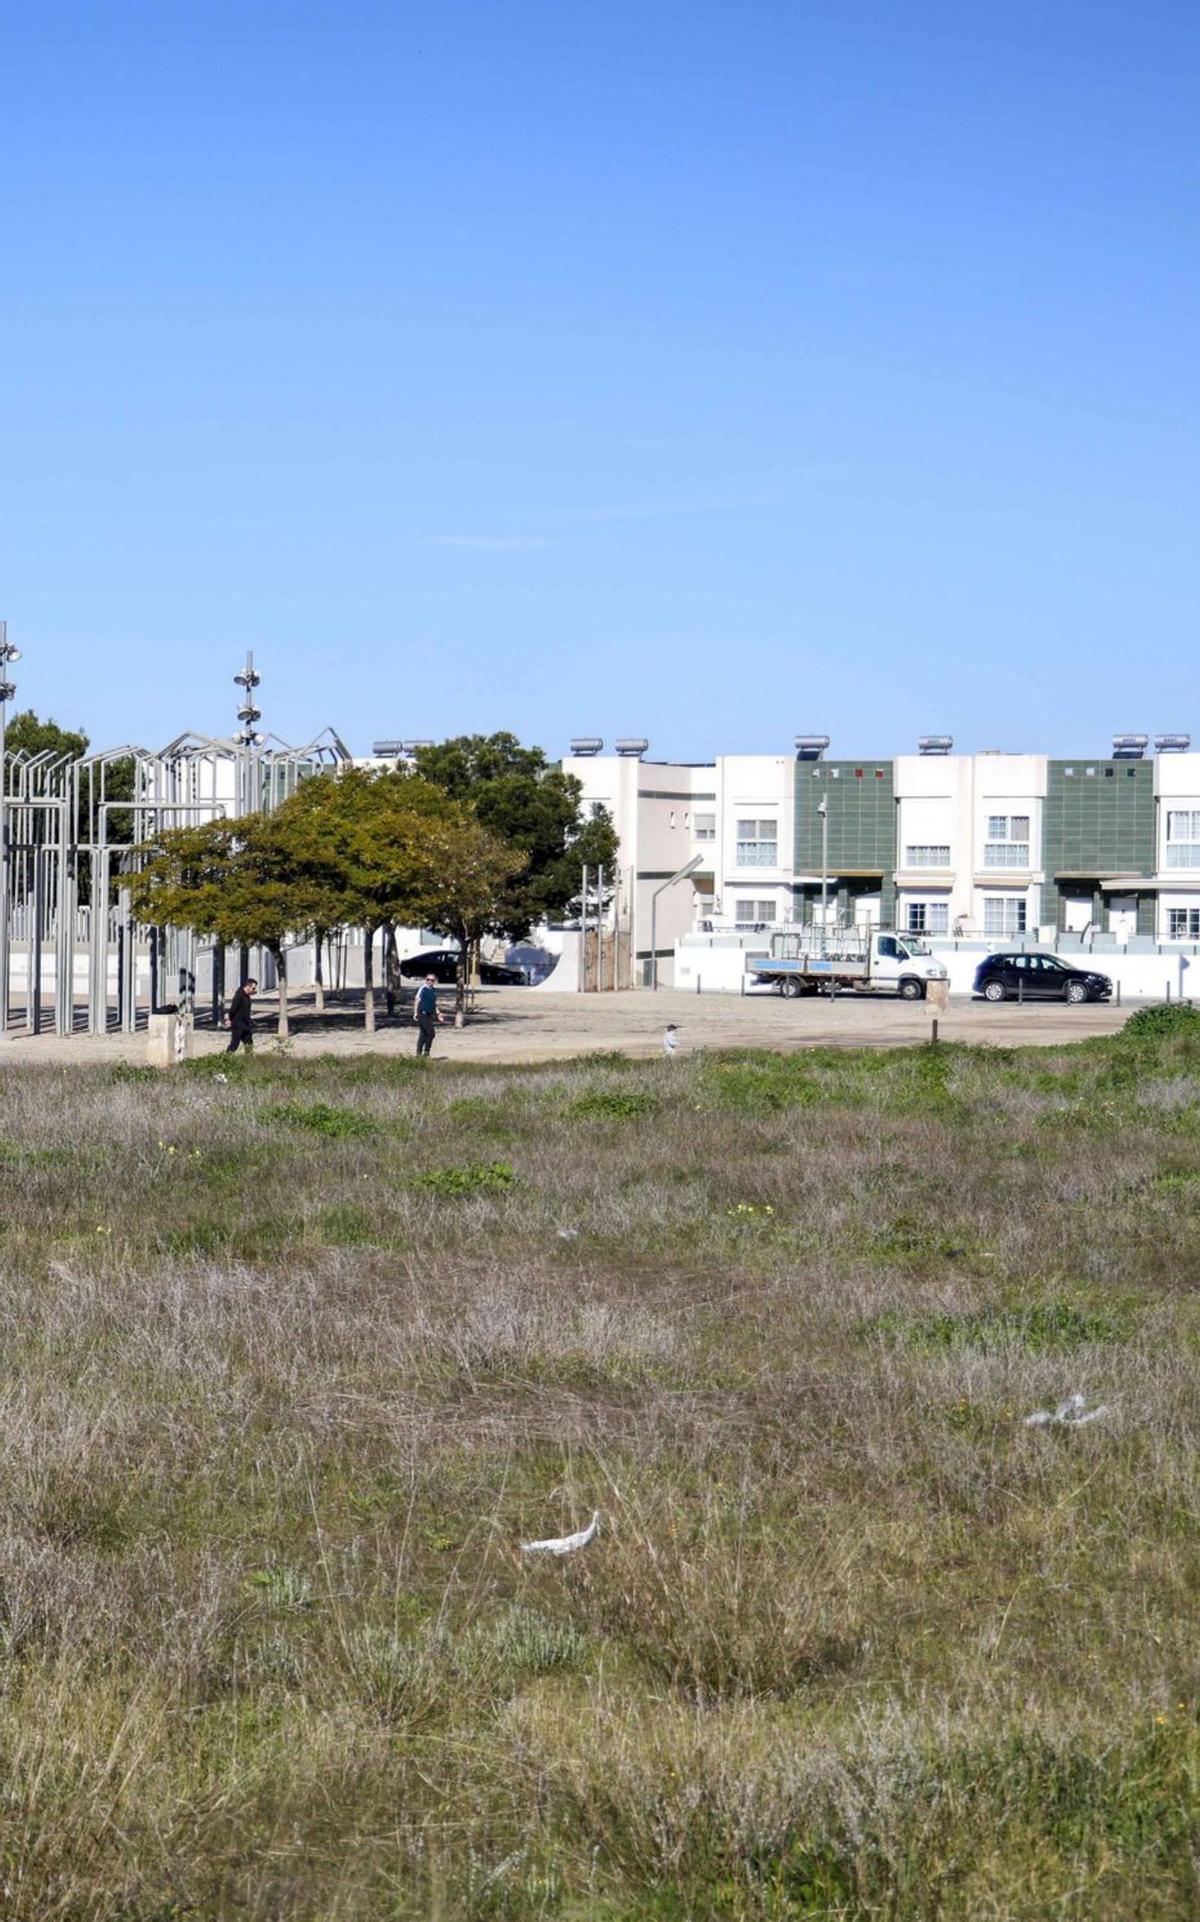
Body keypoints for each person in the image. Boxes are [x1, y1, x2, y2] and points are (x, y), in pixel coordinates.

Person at [414, 973, 444, 1057]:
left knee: (423, 1034)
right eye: (428, 979)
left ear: (434, 981)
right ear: (425, 980)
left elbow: (433, 1004)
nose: (430, 981)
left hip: (430, 1014)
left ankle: (420, 1054)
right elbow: (417, 1000)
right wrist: (415, 1013)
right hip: (422, 1013)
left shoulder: (433, 990)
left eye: (432, 980)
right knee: (431, 1033)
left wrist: (438, 1014)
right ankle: (426, 1052)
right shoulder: (423, 989)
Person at [227, 977, 257, 1054]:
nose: (254, 990)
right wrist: (229, 1019)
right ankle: (226, 1058)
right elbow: (233, 1009)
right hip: (238, 1024)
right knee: (234, 1044)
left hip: (245, 1024)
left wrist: (250, 1021)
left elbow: (246, 1012)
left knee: (249, 1042)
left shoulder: (246, 996)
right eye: (253, 988)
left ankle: (249, 1060)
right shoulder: (239, 996)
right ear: (248, 986)